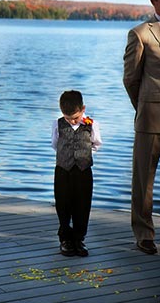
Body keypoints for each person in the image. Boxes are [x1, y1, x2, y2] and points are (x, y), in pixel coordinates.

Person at [123, 0, 160, 255]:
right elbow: (130, 79)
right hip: (151, 116)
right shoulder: (141, 33)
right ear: (154, 0)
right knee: (144, 180)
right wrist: (144, 106)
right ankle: (144, 234)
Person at [51, 90, 102, 256]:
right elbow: (55, 144)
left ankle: (79, 239)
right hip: (63, 170)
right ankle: (65, 239)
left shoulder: (91, 124)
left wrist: (84, 156)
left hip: (83, 170)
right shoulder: (57, 124)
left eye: (75, 117)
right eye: (68, 118)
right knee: (63, 204)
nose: (72, 120)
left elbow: (96, 144)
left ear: (83, 109)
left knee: (82, 205)